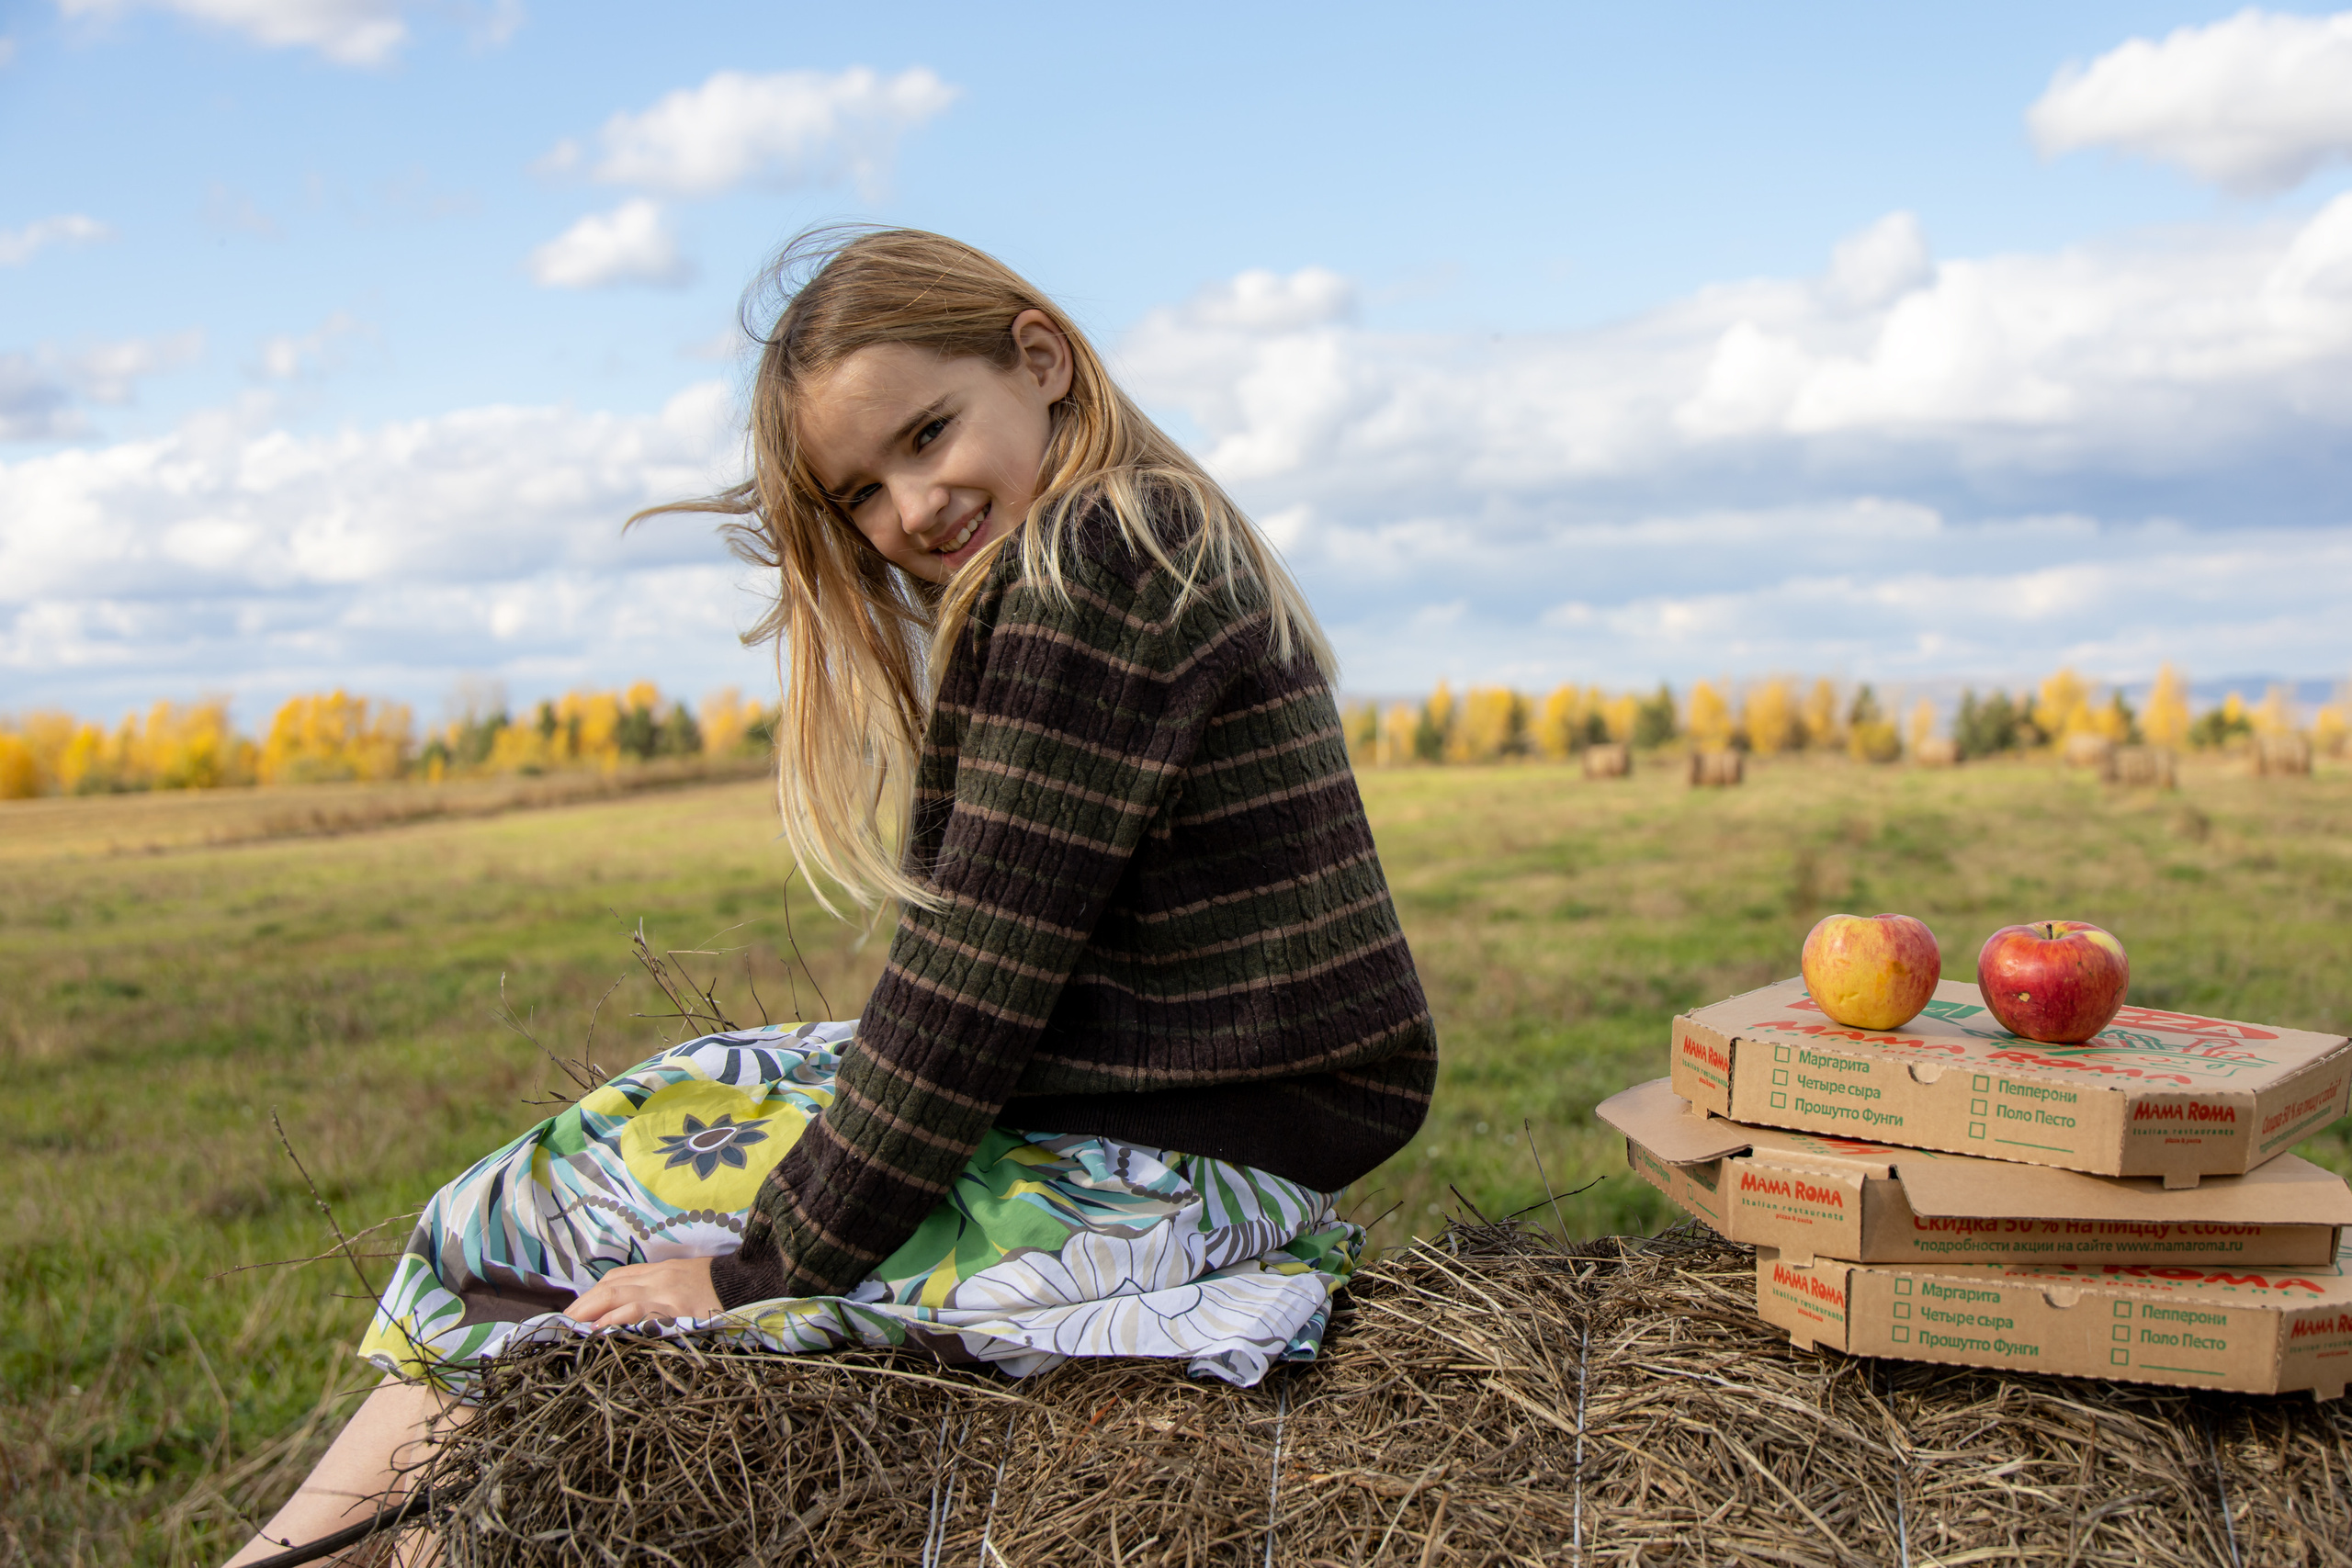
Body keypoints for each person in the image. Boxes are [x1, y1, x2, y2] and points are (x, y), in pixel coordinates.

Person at [226, 228, 1434, 1565]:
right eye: (860, 493)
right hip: (1197, 1097)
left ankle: (302, 1554)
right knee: (670, 1100)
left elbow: (972, 978)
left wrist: (764, 1268)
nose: (910, 510)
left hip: (1193, 1143)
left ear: (1039, 361)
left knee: (567, 1203)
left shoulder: (1088, 564)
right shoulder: (1135, 535)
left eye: (928, 434)